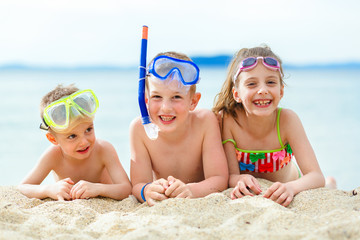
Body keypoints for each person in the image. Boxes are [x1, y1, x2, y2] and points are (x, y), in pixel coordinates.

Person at [213, 45, 329, 207]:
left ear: (281, 91)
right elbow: (231, 175)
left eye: (270, 82)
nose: (262, 90)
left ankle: (333, 184)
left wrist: (291, 188)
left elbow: (315, 176)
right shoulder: (229, 120)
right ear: (237, 94)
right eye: (252, 84)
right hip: (258, 191)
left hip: (290, 181)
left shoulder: (288, 120)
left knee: (329, 184)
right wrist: (239, 179)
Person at [130, 51, 228, 206]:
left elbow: (219, 178)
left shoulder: (205, 122)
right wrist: (147, 190)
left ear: (193, 101)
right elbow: (137, 185)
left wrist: (192, 191)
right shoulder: (139, 129)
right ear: (146, 100)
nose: (166, 107)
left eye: (176, 97)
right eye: (157, 97)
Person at [18, 84, 132, 201]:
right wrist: (49, 189)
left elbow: (126, 189)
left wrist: (98, 189)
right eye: (72, 136)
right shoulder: (53, 156)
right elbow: (23, 187)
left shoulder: (104, 150)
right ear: (53, 139)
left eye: (88, 129)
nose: (83, 142)